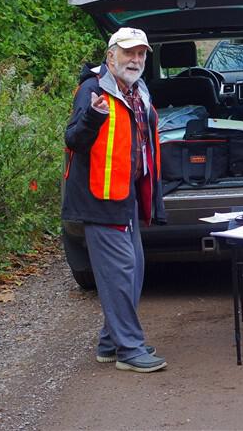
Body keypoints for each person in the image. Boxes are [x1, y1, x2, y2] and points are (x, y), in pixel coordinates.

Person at [62, 27, 168, 373]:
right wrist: (93, 116)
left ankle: (110, 342)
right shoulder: (93, 91)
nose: (135, 60)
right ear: (110, 57)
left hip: (126, 196)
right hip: (99, 199)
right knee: (121, 273)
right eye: (128, 53)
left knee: (132, 271)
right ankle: (129, 350)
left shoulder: (137, 90)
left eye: (140, 54)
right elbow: (74, 139)